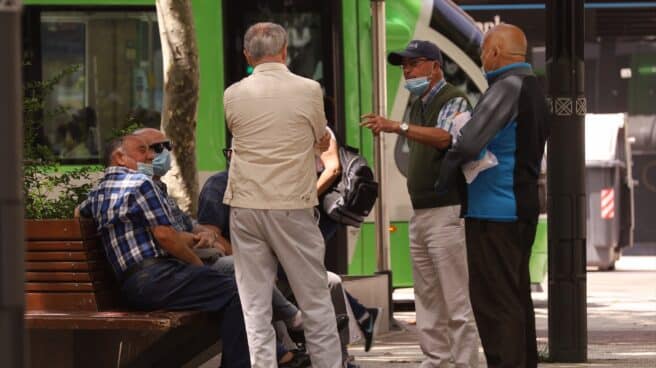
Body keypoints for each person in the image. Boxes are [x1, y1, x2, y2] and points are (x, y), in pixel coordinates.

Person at [132, 128, 310, 368]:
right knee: (244, 278)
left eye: (167, 147)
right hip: (177, 269)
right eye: (155, 148)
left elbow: (190, 226)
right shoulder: (143, 189)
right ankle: (287, 334)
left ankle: (288, 348)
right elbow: (166, 236)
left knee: (261, 281)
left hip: (195, 262)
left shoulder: (159, 189)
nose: (160, 155)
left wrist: (202, 235)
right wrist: (199, 252)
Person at [223, 22, 341, 368]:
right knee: (316, 301)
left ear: (248, 55)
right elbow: (319, 136)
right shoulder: (309, 89)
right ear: (285, 50)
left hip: (245, 206)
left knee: (254, 306)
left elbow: (241, 130)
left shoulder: (233, 94)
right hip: (292, 205)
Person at [77, 135, 249, 368]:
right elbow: (165, 235)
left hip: (132, 284)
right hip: (157, 277)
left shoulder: (97, 193)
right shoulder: (141, 183)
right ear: (119, 157)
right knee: (240, 293)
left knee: (227, 288)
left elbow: (79, 213)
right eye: (143, 150)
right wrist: (196, 265)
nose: (151, 156)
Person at [435, 24, 549, 368]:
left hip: (495, 212)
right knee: (514, 299)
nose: (482, 58)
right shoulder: (532, 87)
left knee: (494, 302)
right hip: (517, 206)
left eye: (483, 51)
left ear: (495, 52)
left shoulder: (506, 88)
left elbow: (469, 142)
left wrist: (448, 165)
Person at [360, 40, 479, 368]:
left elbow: (448, 137)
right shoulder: (419, 103)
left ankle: (465, 362)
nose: (407, 71)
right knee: (426, 297)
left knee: (455, 298)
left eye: (414, 64)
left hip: (446, 211)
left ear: (435, 66)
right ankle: (436, 360)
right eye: (404, 66)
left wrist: (396, 126)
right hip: (422, 213)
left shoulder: (453, 98)